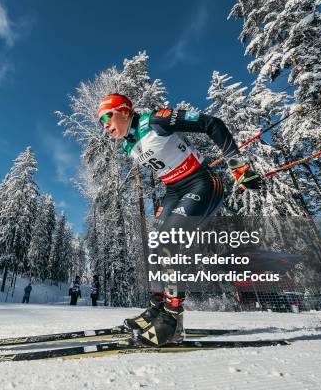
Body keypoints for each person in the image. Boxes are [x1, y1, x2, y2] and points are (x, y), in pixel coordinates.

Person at [97, 93, 261, 346]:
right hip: (174, 191)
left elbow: (212, 124)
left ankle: (173, 322)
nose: (105, 125)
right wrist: (164, 204)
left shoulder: (156, 121)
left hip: (203, 183)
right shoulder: (128, 144)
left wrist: (239, 166)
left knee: (169, 245)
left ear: (125, 111)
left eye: (107, 117)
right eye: (101, 122)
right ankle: (156, 309)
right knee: (154, 248)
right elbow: (167, 170)